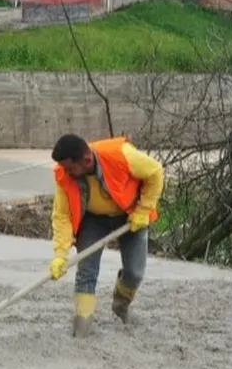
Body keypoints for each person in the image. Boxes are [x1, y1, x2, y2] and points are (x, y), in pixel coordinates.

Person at [47, 133, 164, 337]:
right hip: (93, 220)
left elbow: (155, 172)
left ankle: (121, 304)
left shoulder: (122, 155)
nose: (67, 173)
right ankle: (82, 326)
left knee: (134, 273)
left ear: (87, 160)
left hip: (130, 215)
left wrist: (144, 210)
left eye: (70, 168)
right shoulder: (65, 175)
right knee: (86, 272)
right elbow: (62, 216)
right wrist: (60, 254)